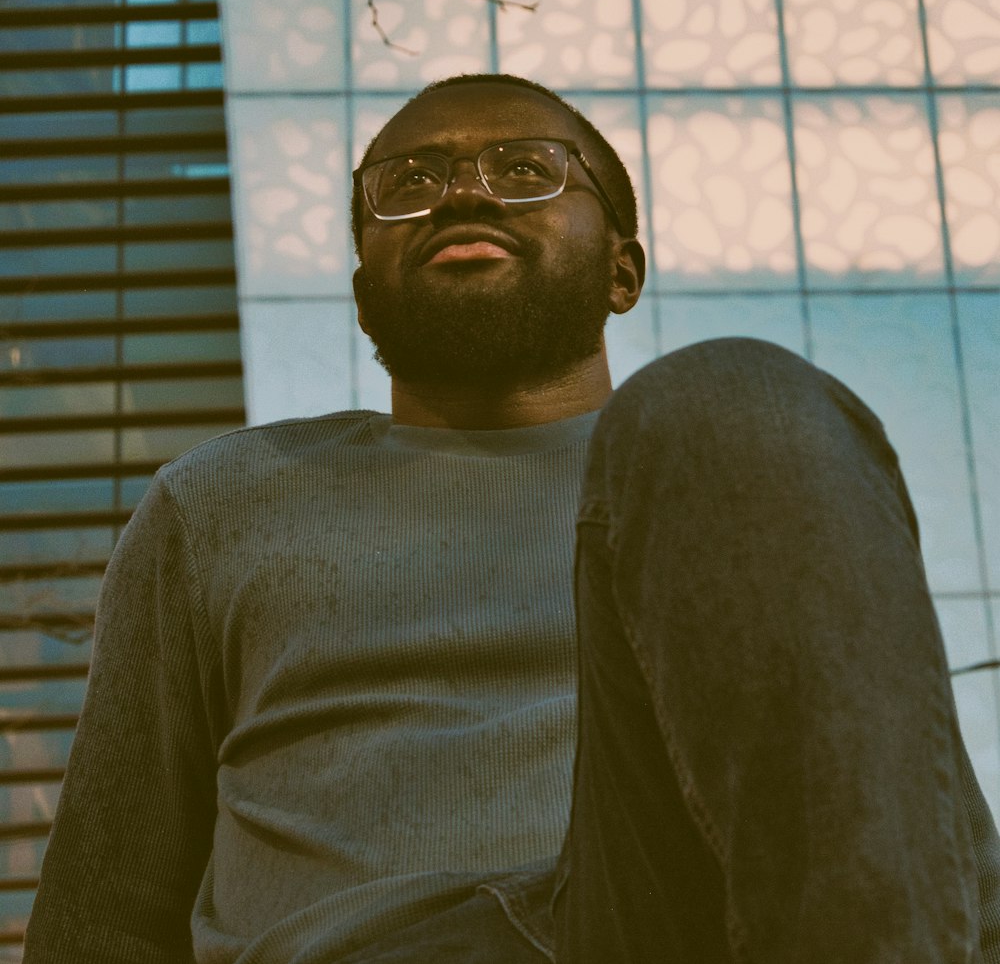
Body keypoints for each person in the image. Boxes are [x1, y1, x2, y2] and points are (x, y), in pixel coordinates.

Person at [25, 71, 1000, 963]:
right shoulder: (223, 495)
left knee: (732, 391)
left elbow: (900, 815)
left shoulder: (721, 472)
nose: (462, 190)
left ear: (623, 271)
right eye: (406, 181)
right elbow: (102, 912)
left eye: (526, 168)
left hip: (674, 928)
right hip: (364, 946)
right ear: (364, 281)